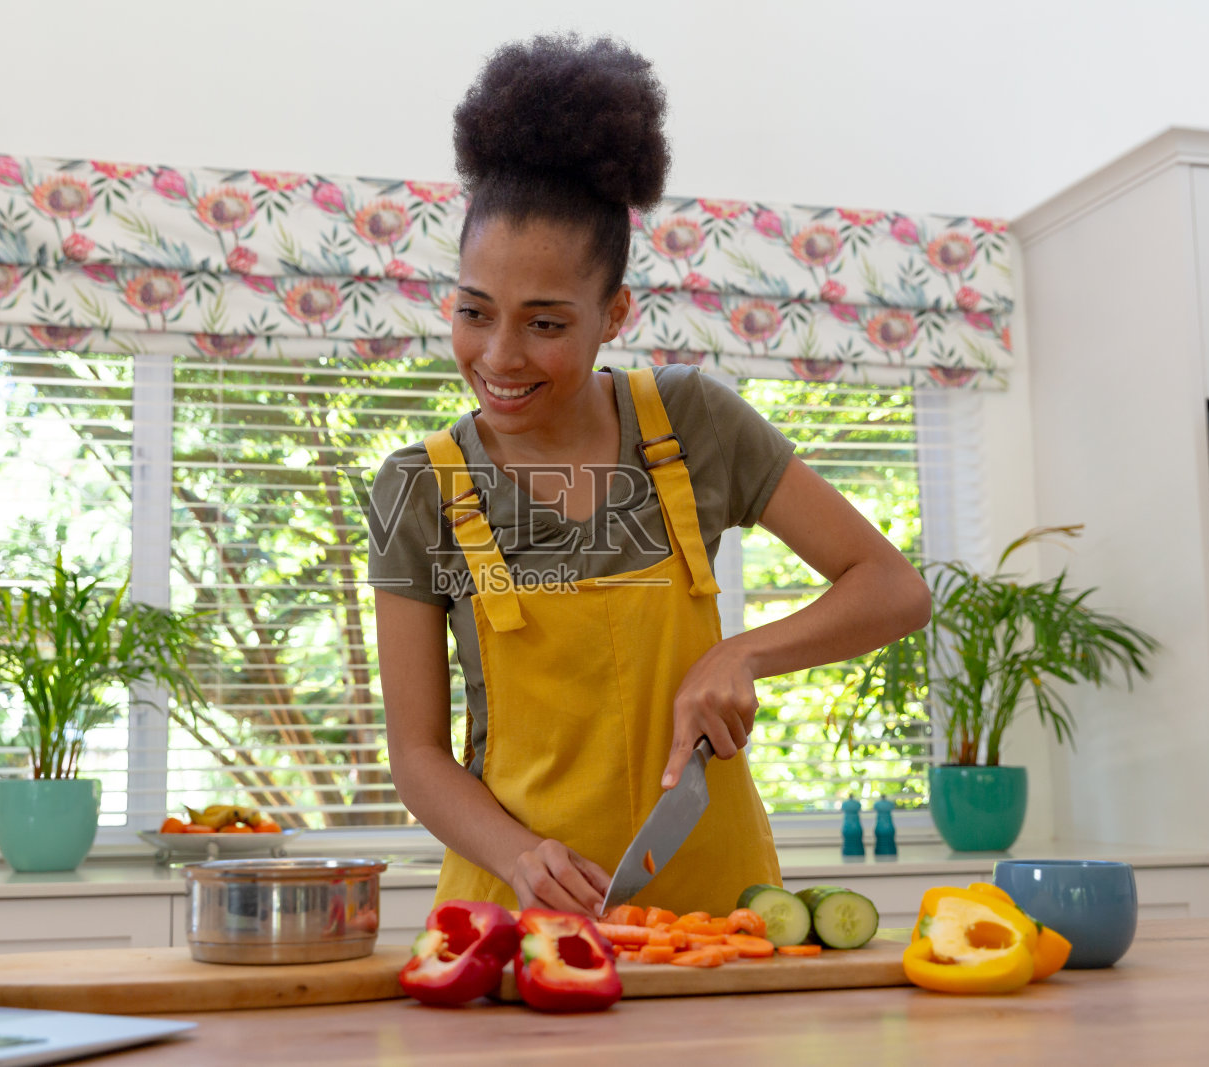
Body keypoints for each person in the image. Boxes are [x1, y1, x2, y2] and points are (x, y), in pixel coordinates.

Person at [369, 34, 930, 918]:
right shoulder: (419, 487)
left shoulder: (692, 422)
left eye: (545, 324)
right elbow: (416, 756)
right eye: (475, 312)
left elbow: (893, 588)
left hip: (717, 910)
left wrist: (742, 651)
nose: (499, 356)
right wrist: (522, 856)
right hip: (519, 916)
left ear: (614, 314)